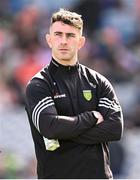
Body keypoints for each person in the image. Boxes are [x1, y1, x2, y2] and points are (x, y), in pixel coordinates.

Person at [25, 8, 123, 179]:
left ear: (81, 42)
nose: (63, 41)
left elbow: (115, 129)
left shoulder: (98, 82)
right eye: (58, 34)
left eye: (70, 35)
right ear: (49, 40)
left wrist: (64, 134)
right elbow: (50, 127)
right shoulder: (39, 84)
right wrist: (91, 118)